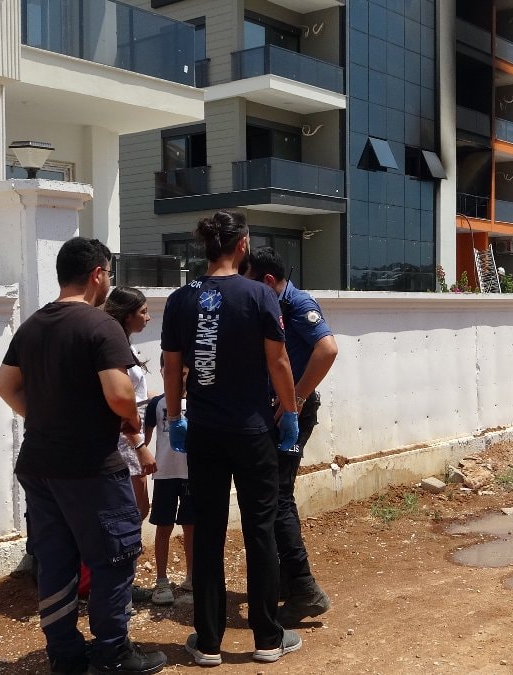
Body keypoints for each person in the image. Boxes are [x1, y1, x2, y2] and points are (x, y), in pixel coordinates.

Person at [0, 237, 165, 675]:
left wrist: (47, 417)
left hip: (39, 464)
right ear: (97, 274)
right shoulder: (100, 325)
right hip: (91, 466)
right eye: (109, 273)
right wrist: (130, 419)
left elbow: (5, 387)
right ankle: (113, 653)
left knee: (56, 561)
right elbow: (120, 394)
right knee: (114, 556)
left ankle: (65, 655)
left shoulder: (32, 325)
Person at [160, 211, 303, 666]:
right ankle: (267, 639)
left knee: (208, 532)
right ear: (242, 245)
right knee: (260, 529)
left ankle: (207, 643)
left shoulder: (181, 299)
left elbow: (171, 367)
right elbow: (278, 362)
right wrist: (290, 414)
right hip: (252, 431)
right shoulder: (260, 295)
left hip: (204, 432)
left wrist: (176, 417)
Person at [242, 246, 338, 627]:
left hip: (291, 413)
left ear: (268, 281)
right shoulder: (271, 305)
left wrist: (294, 398)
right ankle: (287, 579)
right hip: (275, 410)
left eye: (251, 283)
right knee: (276, 494)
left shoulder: (298, 304)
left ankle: (303, 588)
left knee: (278, 496)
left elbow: (327, 349)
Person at [103, 286, 153, 521]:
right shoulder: (114, 348)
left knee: (138, 508)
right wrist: (139, 446)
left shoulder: (125, 345)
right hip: (126, 439)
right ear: (127, 315)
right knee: (134, 509)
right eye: (143, 311)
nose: (148, 317)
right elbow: (120, 402)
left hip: (132, 435)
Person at [141, 390, 195, 606]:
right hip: (164, 473)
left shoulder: (197, 399)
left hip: (191, 473)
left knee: (191, 527)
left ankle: (191, 577)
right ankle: (161, 581)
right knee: (163, 527)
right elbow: (144, 440)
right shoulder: (156, 403)